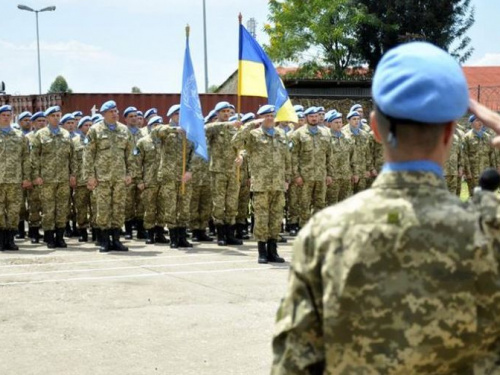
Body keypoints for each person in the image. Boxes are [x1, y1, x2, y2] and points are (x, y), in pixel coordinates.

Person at [271, 41, 500, 374]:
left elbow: (293, 365)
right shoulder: (489, 231)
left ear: (375, 128)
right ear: (451, 132)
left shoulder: (324, 234)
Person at [232, 105, 290, 263]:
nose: (270, 118)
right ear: (260, 118)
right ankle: (262, 252)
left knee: (276, 218)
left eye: (272, 115)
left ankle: (273, 251)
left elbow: (287, 158)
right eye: (266, 116)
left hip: (278, 183)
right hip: (261, 184)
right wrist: (251, 124)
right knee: (262, 218)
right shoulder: (254, 135)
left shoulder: (281, 134)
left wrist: (287, 179)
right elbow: (236, 142)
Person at [84, 100, 134, 253]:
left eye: (116, 111)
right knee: (103, 209)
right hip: (102, 178)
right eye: (111, 111)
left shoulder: (124, 130)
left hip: (119, 177)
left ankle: (117, 240)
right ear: (104, 114)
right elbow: (88, 155)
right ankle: (105, 241)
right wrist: (90, 176)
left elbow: (130, 154)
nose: (115, 114)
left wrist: (130, 173)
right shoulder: (95, 130)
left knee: (118, 208)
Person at [31, 106, 76, 249]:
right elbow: (34, 157)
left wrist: (73, 174)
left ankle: (60, 237)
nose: (56, 118)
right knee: (48, 209)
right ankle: (49, 237)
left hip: (63, 179)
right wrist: (36, 175)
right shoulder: (40, 134)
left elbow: (73, 157)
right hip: (46, 179)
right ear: (48, 118)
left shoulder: (66, 134)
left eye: (58, 115)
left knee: (63, 209)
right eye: (53, 115)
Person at [151, 104, 194, 248]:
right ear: (172, 116)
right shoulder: (166, 131)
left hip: (184, 176)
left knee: (184, 207)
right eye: (178, 114)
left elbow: (195, 154)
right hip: (169, 175)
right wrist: (175, 129)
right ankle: (173, 237)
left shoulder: (190, 132)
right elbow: (154, 132)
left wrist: (190, 171)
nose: (181, 117)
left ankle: (182, 236)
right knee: (170, 207)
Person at [205, 101, 244, 246]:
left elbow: (242, 146)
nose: (227, 114)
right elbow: (205, 129)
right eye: (223, 112)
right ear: (217, 114)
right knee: (219, 204)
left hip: (233, 171)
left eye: (228, 111)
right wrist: (227, 124)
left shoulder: (235, 129)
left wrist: (241, 156)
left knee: (232, 203)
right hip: (218, 171)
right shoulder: (214, 128)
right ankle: (220, 234)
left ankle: (230, 234)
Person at [290, 106, 333, 229]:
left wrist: (329, 174)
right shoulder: (298, 134)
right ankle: (304, 227)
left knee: (320, 203)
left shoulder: (325, 133)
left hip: (321, 175)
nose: (314, 119)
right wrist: (296, 175)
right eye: (311, 116)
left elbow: (329, 155)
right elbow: (294, 156)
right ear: (306, 117)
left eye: (316, 116)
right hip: (305, 176)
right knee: (304, 203)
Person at [0, 105, 31, 251]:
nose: (6, 117)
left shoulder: (19, 136)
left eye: (8, 114)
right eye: (3, 115)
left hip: (15, 179)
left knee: (13, 211)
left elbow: (26, 158)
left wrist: (26, 178)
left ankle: (10, 240)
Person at [136, 115, 169, 244]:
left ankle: (159, 233)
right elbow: (137, 163)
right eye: (155, 125)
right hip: (149, 181)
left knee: (162, 208)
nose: (158, 128)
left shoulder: (166, 141)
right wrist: (139, 180)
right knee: (149, 208)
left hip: (164, 180)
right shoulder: (142, 142)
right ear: (150, 127)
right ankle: (149, 233)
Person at [72, 116, 93, 242]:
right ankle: (83, 231)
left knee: (96, 207)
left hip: (94, 181)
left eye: (91, 125)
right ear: (80, 127)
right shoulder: (74, 142)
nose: (89, 128)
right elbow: (72, 161)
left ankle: (97, 230)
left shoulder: (96, 140)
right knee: (81, 207)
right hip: (80, 181)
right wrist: (73, 176)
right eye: (86, 125)